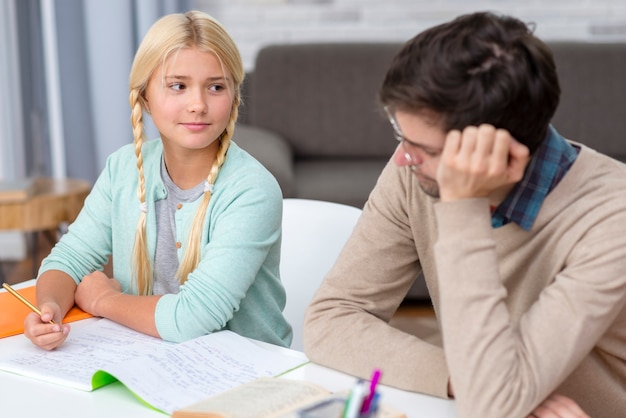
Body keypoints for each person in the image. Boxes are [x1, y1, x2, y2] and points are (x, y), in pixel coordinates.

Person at [303, 11, 626, 418]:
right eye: (401, 135)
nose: (403, 157)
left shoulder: (613, 220)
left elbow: (490, 406)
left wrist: (463, 207)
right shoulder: (413, 170)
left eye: (428, 150)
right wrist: (469, 380)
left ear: (503, 151)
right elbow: (332, 319)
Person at [24, 11, 291, 350]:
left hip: (248, 375)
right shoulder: (122, 169)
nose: (197, 104)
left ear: (234, 95)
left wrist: (103, 300)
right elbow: (69, 260)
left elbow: (194, 318)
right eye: (177, 86)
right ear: (145, 96)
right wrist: (49, 308)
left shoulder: (252, 190)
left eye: (216, 87)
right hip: (152, 360)